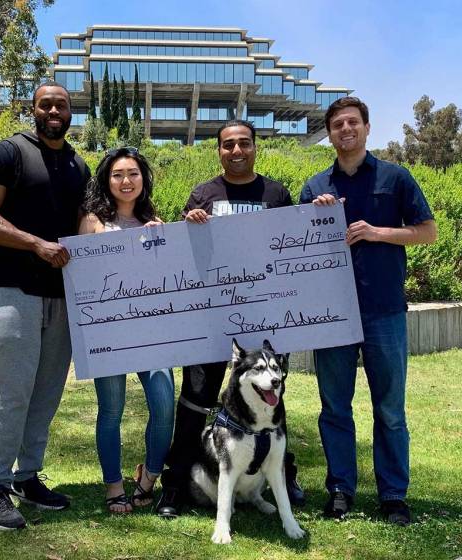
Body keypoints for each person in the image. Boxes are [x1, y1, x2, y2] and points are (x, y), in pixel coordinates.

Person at [155, 120, 305, 518]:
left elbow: (292, 249)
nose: (236, 151)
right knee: (195, 402)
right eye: (228, 145)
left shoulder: (276, 194)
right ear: (218, 150)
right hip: (210, 317)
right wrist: (188, 223)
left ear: (255, 147)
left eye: (243, 143)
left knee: (270, 400)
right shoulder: (203, 193)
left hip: (262, 318)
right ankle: (176, 485)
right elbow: (184, 251)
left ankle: (282, 476)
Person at [299, 97, 437, 526]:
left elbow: (427, 232)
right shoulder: (315, 186)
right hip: (333, 315)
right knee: (334, 408)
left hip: (384, 312)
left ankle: (393, 494)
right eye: (337, 124)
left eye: (353, 122)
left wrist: (377, 233)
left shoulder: (396, 178)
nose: (346, 130)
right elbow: (297, 248)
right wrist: (312, 218)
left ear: (367, 128)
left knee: (390, 410)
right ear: (329, 132)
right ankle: (340, 490)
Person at [0, 81, 91, 530]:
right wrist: (35, 244)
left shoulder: (78, 164)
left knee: (46, 395)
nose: (54, 110)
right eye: (46, 104)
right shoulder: (8, 153)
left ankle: (27, 477)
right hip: (16, 289)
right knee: (12, 392)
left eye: (61, 104)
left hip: (64, 295)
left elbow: (88, 223)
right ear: (33, 109)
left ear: (71, 111)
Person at [78, 147, 176, 514]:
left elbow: (167, 274)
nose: (126, 181)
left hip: (152, 330)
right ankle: (114, 486)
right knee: (111, 410)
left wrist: (162, 240)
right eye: (118, 174)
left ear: (142, 179)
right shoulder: (92, 219)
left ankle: (148, 478)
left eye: (133, 173)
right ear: (107, 179)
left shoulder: (153, 218)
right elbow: (86, 275)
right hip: (109, 333)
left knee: (164, 405)